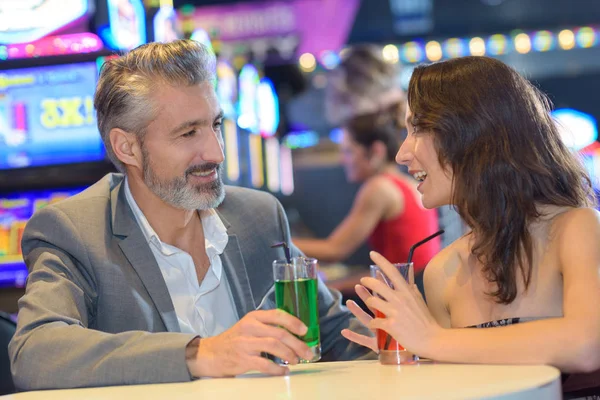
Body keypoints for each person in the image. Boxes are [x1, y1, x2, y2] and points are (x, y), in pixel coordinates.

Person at [8, 40, 373, 391]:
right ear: (127, 147)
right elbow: (35, 352)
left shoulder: (259, 217)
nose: (215, 152)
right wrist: (202, 353)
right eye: (188, 133)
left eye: (215, 125)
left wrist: (410, 339)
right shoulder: (74, 231)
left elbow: (338, 333)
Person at [342, 56, 600, 376]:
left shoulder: (577, 228)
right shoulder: (442, 271)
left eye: (419, 128)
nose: (402, 153)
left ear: (475, 131)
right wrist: (414, 361)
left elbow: (587, 345)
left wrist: (432, 340)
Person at [293, 45, 441, 294]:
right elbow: (390, 271)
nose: (343, 159)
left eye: (349, 151)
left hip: (411, 301)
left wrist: (275, 242)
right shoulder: (399, 183)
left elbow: (335, 249)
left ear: (375, 152)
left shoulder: (379, 188)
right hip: (416, 294)